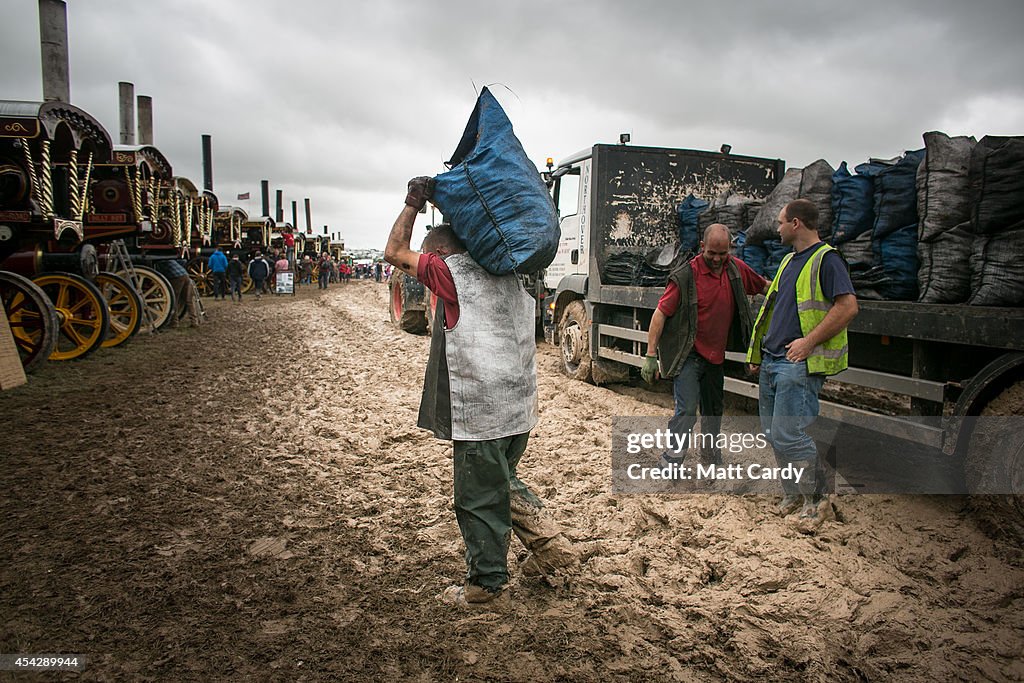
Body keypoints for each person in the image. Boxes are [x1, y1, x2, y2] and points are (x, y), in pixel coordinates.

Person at [384, 177, 576, 608]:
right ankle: (552, 549)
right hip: (519, 411)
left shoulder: (449, 272)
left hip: (483, 415)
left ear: (441, 255)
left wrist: (413, 203)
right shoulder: (510, 273)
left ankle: (485, 587)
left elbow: (394, 251)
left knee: (476, 499)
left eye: (430, 255)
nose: (426, 263)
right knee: (501, 483)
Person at [747, 198, 858, 529]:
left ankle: (817, 499)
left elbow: (848, 306)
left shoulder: (827, 260)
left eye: (781, 222)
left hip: (797, 364)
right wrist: (759, 355)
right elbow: (776, 311)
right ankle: (794, 494)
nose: (777, 228)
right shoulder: (788, 261)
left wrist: (809, 342)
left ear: (796, 224)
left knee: (790, 434)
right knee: (774, 433)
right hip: (773, 360)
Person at [643, 224, 768, 468]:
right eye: (712, 253)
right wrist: (649, 355)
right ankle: (671, 461)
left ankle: (710, 461)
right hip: (689, 353)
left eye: (723, 254)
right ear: (702, 247)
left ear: (730, 249)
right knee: (688, 410)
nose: (718, 259)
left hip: (715, 357)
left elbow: (764, 287)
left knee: (713, 413)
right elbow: (660, 313)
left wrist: (790, 293)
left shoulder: (735, 269)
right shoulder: (685, 276)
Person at [154, 258, 200, 327]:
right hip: (185, 275)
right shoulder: (170, 258)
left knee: (174, 299)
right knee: (188, 300)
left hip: (175, 277)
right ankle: (194, 321)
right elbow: (183, 261)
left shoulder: (159, 261)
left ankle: (174, 322)